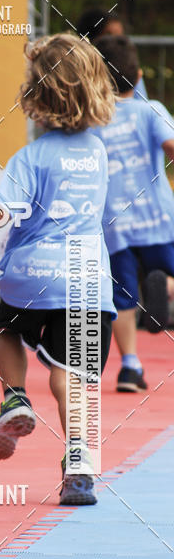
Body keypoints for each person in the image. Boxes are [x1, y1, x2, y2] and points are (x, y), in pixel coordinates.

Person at [0, 34, 117, 507]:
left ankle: (14, 396)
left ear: (34, 94)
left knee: (7, 329)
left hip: (32, 273)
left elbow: (0, 212)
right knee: (70, 373)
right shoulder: (98, 153)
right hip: (86, 276)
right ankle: (78, 459)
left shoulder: (31, 157)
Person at [93, 34, 174, 392]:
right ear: (138, 73)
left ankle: (129, 366)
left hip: (114, 226)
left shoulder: (93, 118)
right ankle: (167, 286)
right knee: (168, 272)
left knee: (122, 296)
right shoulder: (150, 110)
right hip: (158, 219)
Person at [76, 7, 148, 101]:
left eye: (119, 37)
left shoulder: (130, 72)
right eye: (108, 36)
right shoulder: (77, 72)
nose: (114, 42)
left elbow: (142, 104)